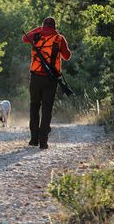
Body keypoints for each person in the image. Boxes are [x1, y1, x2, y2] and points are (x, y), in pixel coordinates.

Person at [22, 17, 71, 149]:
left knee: (34, 107)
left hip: (36, 77)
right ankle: (43, 141)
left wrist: (39, 29)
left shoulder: (36, 35)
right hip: (51, 79)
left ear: (43, 26)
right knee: (47, 109)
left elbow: (24, 38)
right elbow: (67, 56)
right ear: (54, 27)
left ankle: (34, 139)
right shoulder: (59, 39)